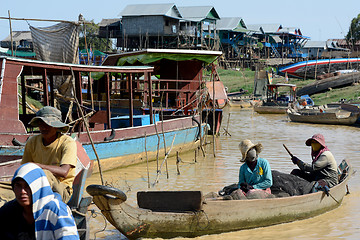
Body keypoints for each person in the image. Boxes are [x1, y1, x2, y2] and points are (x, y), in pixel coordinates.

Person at [0, 163, 79, 240]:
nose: (22, 191)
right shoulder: (8, 211)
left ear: (38, 186)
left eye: (28, 186)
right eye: (18, 185)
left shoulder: (56, 209)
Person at [21, 106, 77, 203]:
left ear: (56, 127)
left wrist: (39, 166)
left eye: (47, 124)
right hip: (34, 187)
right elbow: (24, 168)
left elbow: (64, 172)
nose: (43, 128)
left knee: (44, 174)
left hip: (61, 190)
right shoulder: (32, 142)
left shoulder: (67, 142)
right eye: (41, 124)